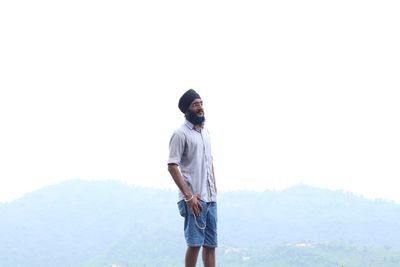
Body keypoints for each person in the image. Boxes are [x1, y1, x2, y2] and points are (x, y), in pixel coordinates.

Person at [168, 89, 218, 267]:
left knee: (211, 245)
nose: (200, 108)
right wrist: (189, 196)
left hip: (209, 198)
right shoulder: (180, 134)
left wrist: (214, 185)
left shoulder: (205, 133)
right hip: (194, 198)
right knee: (195, 244)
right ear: (186, 110)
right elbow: (172, 166)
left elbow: (209, 160)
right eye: (195, 104)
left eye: (201, 103)